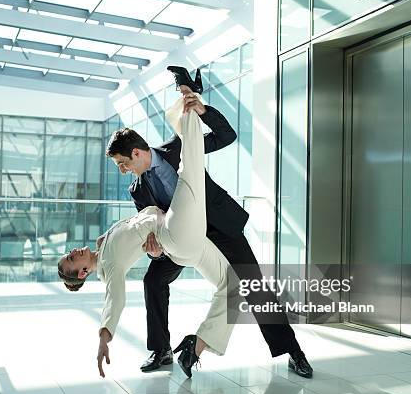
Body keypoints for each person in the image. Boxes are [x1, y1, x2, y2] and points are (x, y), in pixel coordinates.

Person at [105, 77, 312, 378]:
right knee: (153, 280)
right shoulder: (138, 190)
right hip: (181, 239)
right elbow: (149, 223)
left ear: (136, 153)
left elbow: (227, 135)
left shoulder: (179, 147)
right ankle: (160, 350)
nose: (124, 171)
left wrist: (202, 111)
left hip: (219, 225)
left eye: (123, 163)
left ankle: (293, 353)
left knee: (254, 285)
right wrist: (153, 250)